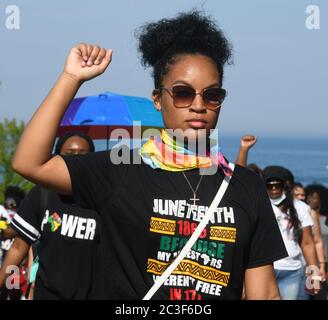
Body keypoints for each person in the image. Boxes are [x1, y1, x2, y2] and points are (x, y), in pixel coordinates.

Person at [12, 11, 287, 300]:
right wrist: (71, 78)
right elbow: (29, 163)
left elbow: (265, 293)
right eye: (182, 93)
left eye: (212, 95)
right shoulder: (122, 169)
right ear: (157, 99)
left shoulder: (245, 186)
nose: (198, 105)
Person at [0, 132, 103, 300]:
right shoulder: (42, 194)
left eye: (84, 154)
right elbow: (19, 247)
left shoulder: (103, 198)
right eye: (69, 154)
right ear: (57, 157)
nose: (76, 159)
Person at [262, 166, 319, 299]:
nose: (274, 189)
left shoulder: (300, 207)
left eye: (278, 185)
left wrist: (314, 272)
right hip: (264, 269)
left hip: (292, 270)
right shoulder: (259, 205)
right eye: (270, 186)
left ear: (285, 186)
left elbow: (307, 243)